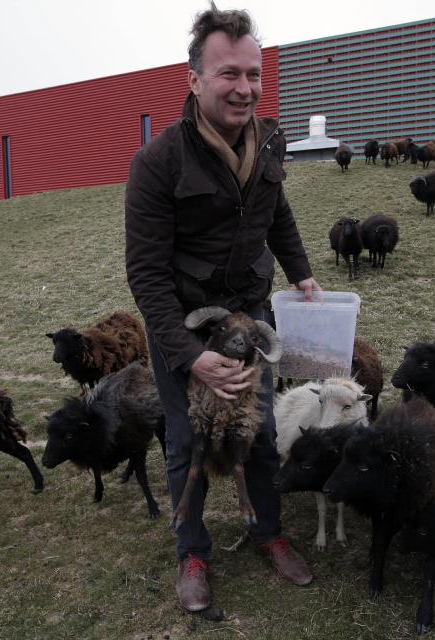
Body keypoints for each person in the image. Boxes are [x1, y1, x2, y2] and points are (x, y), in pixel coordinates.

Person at [124, 3, 320, 613]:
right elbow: (146, 274)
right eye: (228, 74)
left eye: (253, 74)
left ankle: (267, 532)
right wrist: (189, 358)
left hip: (250, 313)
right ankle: (194, 551)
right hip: (186, 321)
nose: (244, 88)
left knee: (256, 432)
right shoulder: (157, 165)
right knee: (188, 439)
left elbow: (276, 212)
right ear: (195, 80)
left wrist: (304, 275)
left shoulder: (269, 141)